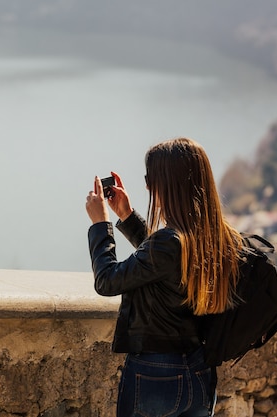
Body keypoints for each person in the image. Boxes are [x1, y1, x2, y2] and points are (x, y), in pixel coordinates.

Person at [85, 138, 243, 417]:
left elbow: (107, 280)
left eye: (150, 178)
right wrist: (127, 215)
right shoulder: (222, 238)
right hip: (200, 371)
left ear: (166, 183)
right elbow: (165, 264)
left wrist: (101, 225)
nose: (147, 186)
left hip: (155, 374)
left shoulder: (171, 242)